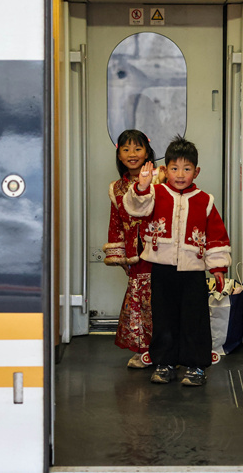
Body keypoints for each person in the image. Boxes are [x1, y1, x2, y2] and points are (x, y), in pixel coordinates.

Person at [123, 135, 231, 386]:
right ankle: (164, 363)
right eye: (174, 168)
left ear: (196, 171)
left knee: (195, 319)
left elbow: (216, 235)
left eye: (187, 168)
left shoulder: (205, 200)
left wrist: (218, 267)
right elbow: (135, 208)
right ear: (165, 170)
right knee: (164, 317)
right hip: (162, 268)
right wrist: (141, 185)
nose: (180, 174)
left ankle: (196, 366)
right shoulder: (154, 192)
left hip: (193, 271)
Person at [103, 129, 164, 369]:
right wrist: (119, 254)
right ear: (118, 155)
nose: (132, 154)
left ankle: (167, 349)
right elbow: (116, 221)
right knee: (138, 299)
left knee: (163, 298)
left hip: (161, 248)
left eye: (137, 149)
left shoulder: (161, 178)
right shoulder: (117, 187)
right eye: (126, 149)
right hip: (134, 252)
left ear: (147, 152)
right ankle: (143, 350)